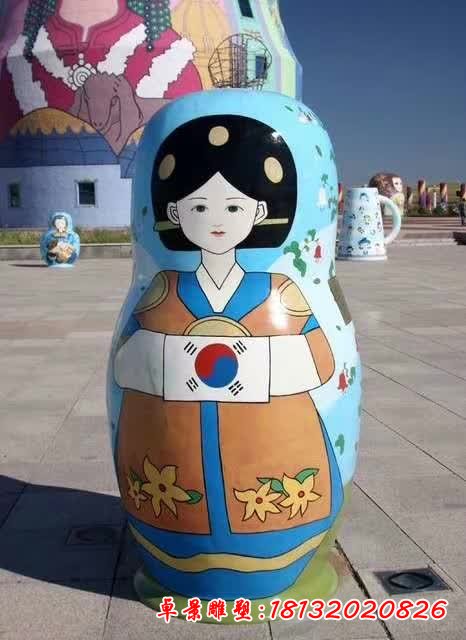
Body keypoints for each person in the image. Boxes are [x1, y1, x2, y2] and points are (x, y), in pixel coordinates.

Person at [112, 114, 343, 600]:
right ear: (174, 212)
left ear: (259, 212)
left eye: (233, 206)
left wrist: (248, 366)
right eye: (198, 206)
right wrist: (178, 360)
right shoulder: (163, 292)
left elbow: (321, 361)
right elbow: (127, 362)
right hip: (174, 465)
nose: (216, 220)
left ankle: (283, 565)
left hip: (266, 453)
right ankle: (176, 568)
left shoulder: (280, 292)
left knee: (272, 510)